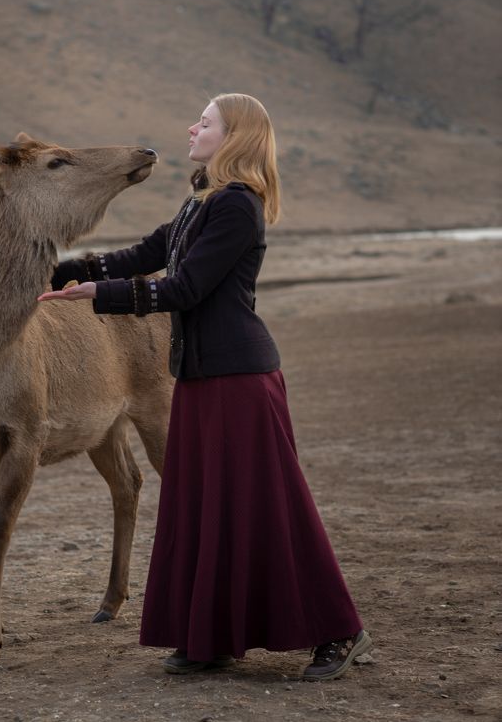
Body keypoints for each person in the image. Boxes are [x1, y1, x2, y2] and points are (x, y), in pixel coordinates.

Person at [38, 93, 371, 680]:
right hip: (198, 375)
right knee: (205, 508)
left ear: (234, 136)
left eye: (207, 121)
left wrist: (98, 297)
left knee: (271, 508)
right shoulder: (201, 202)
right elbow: (147, 253)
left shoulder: (238, 207)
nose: (193, 127)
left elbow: (183, 289)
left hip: (242, 380)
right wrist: (67, 271)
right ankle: (210, 637)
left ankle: (340, 633)